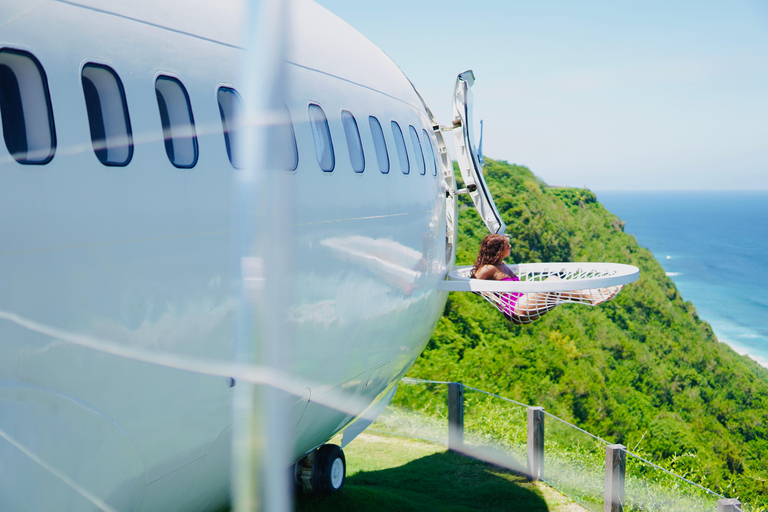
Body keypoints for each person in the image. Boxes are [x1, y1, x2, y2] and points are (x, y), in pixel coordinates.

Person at [470, 234, 619, 323]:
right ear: (498, 250)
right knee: (551, 282)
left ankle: (594, 295)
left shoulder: (503, 264)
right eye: (507, 245)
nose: (510, 247)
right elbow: (473, 285)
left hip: (526, 303)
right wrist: (492, 295)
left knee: (557, 288)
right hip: (516, 309)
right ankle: (593, 296)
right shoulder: (488, 268)